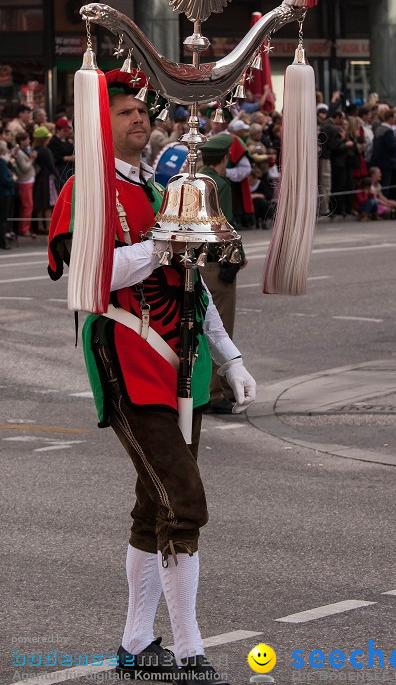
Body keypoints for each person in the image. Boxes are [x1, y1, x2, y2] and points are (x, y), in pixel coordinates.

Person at [47, 70, 256, 685]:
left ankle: (137, 644)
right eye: (124, 111)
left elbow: (192, 287)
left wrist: (230, 357)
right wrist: (163, 246)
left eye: (142, 110)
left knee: (153, 505)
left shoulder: (165, 189)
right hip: (126, 347)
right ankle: (190, 649)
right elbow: (92, 275)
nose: (139, 119)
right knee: (181, 500)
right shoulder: (87, 188)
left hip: (179, 355)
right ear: (99, 123)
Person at [197, 132, 244, 415]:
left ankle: (205, 390)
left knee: (200, 331)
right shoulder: (220, 184)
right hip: (218, 263)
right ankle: (218, 394)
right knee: (220, 330)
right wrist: (238, 257)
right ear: (224, 158)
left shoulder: (193, 179)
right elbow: (224, 225)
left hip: (197, 262)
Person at [32, 126, 59, 235]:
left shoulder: (35, 150)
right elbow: (51, 166)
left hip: (38, 178)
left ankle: (39, 225)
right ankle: (48, 226)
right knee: (48, 203)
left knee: (39, 203)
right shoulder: (45, 150)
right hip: (47, 178)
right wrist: (59, 178)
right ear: (43, 139)